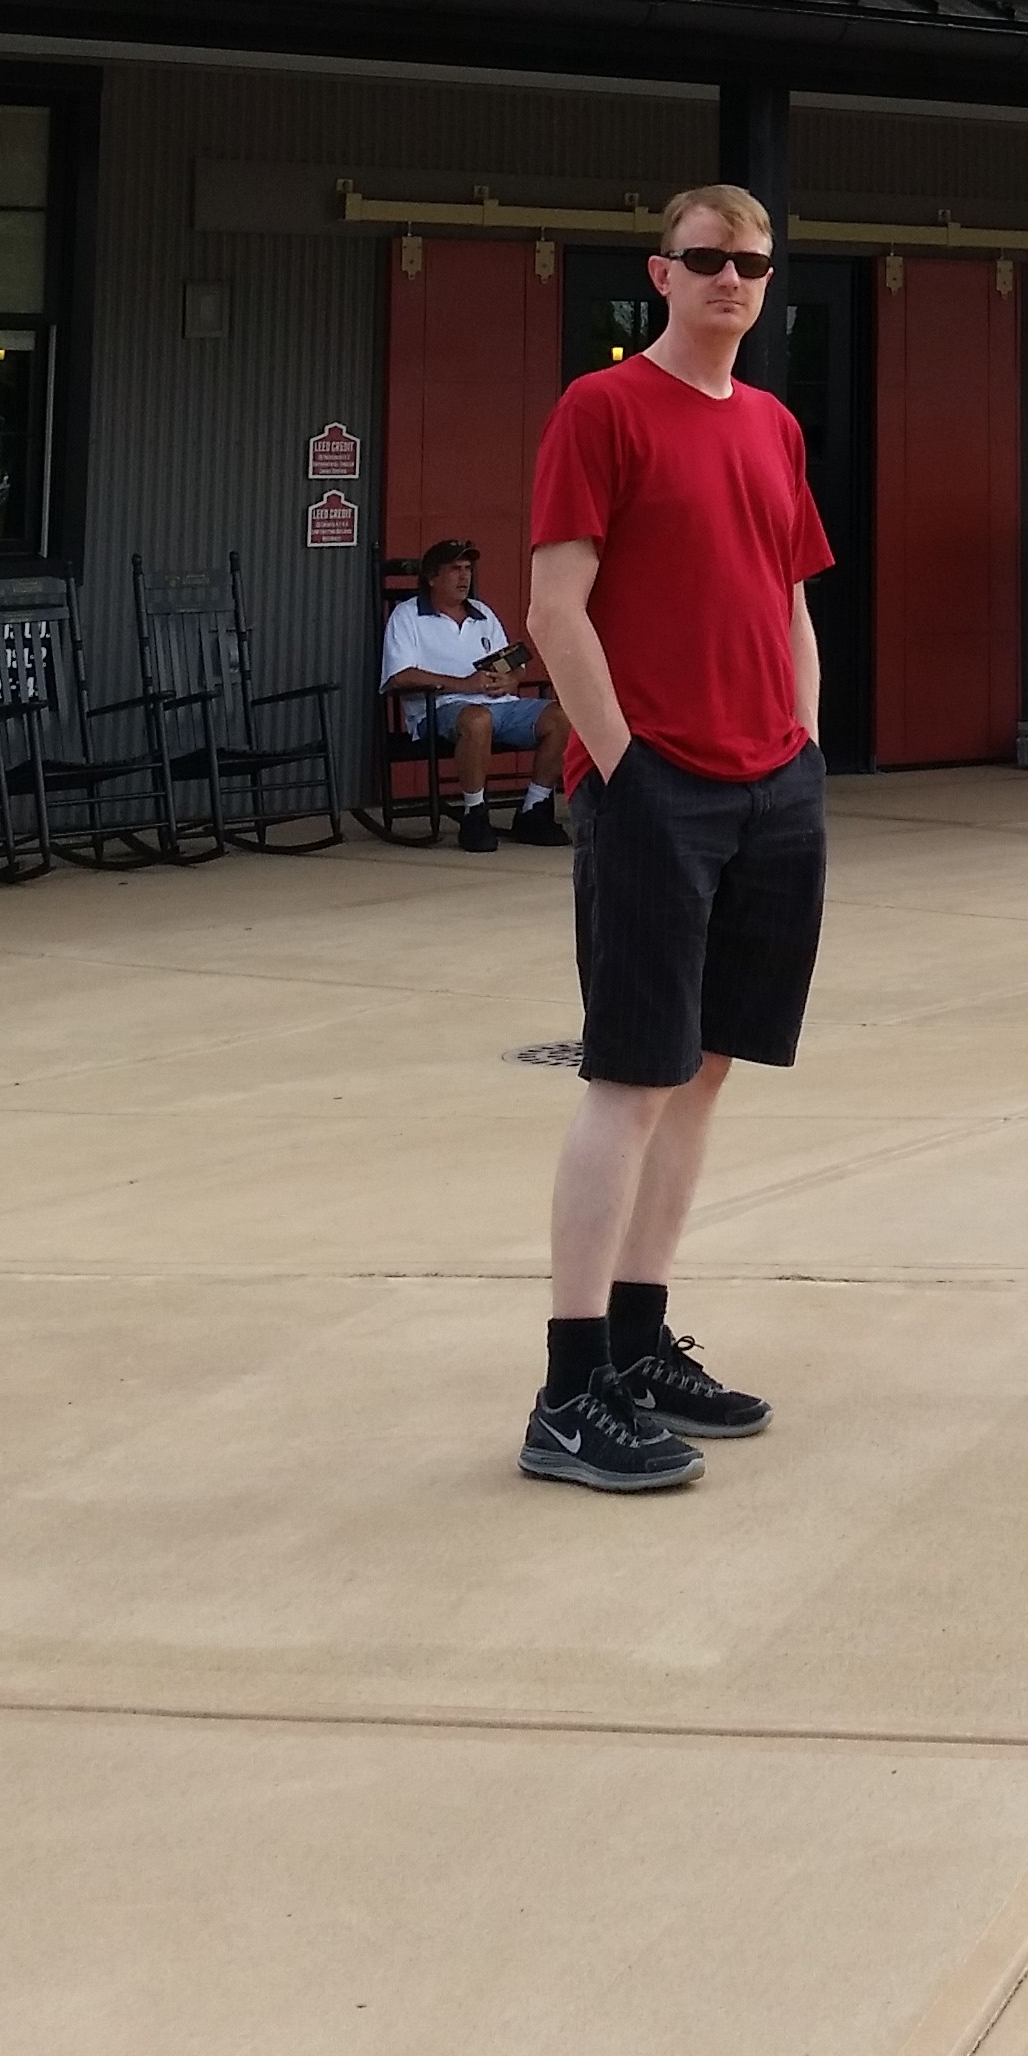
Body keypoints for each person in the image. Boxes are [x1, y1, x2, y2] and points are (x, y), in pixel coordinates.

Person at [516, 182, 833, 1495]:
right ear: (661, 271)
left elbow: (787, 596)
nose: (731, 280)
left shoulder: (772, 424)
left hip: (772, 784)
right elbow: (555, 607)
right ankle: (569, 1389)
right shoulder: (601, 409)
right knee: (631, 1076)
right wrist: (625, 765)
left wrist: (803, 745)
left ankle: (642, 1345)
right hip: (656, 786)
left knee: (704, 1070)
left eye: (752, 263)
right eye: (707, 258)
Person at [380, 537, 568, 851]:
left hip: (499, 704)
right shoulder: (407, 615)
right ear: (432, 578)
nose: (464, 576)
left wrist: (510, 681)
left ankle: (534, 809)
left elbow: (513, 664)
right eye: (455, 569)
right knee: (477, 720)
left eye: (467, 569)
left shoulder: (482, 613)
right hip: (440, 708)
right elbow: (400, 676)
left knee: (562, 716)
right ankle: (475, 814)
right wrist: (463, 684)